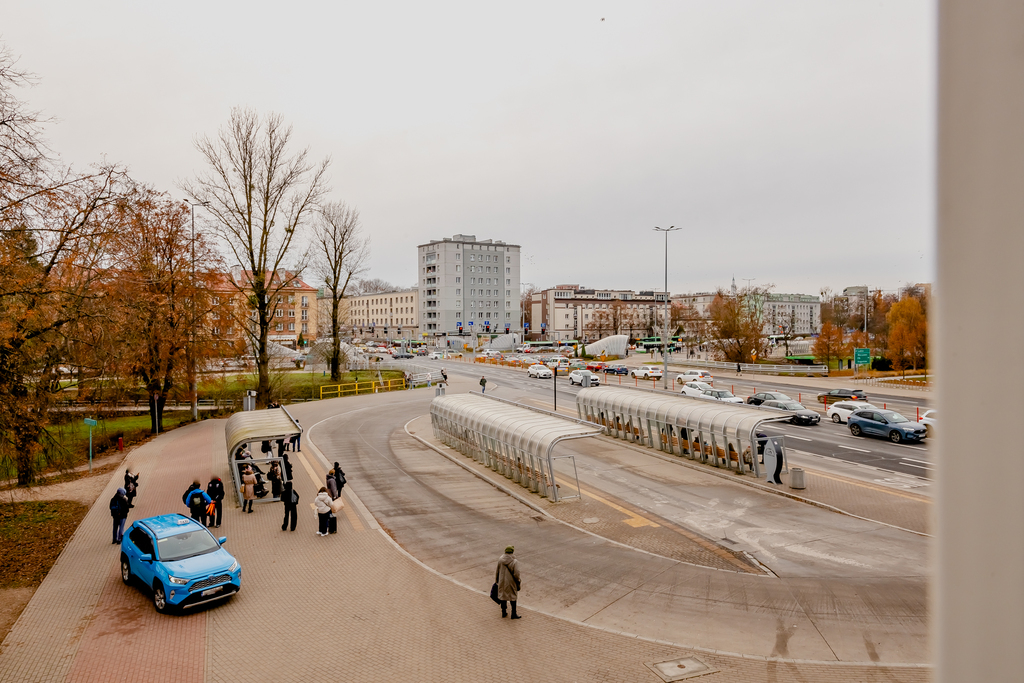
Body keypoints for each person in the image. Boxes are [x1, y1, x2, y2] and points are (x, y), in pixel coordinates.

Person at [495, 545, 522, 619]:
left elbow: (497, 571)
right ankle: (513, 614)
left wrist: (497, 580)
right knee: (513, 597)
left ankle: (504, 612)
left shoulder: (500, 559)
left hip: (502, 581)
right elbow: (516, 573)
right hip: (510, 582)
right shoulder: (514, 561)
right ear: (512, 552)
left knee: (503, 596)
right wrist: (518, 580)